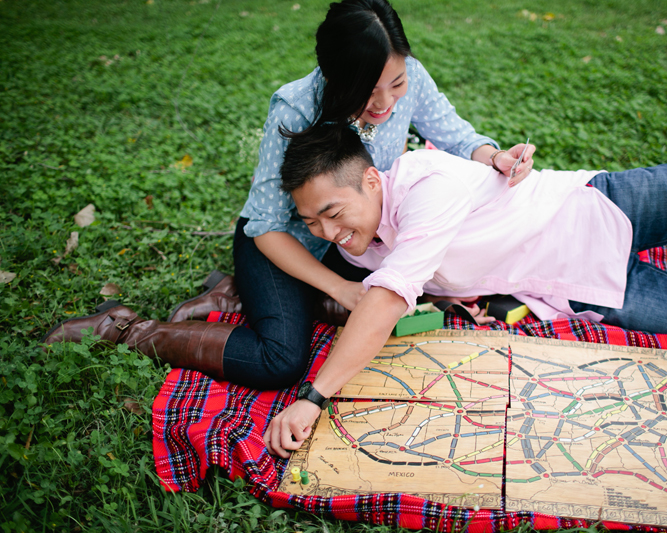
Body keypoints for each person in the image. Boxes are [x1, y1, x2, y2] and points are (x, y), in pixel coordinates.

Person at [42, 0, 530, 389]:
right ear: (337, 78)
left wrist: (494, 157)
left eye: (396, 84)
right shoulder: (296, 106)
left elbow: (459, 136)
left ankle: (235, 295)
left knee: (415, 300)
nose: (384, 103)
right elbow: (266, 227)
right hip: (282, 248)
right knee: (279, 361)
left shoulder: (410, 77)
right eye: (368, 90)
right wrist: (337, 286)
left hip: (360, 240)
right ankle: (126, 329)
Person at [262, 124, 667, 458]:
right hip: (583, 287)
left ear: (373, 180)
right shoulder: (359, 241)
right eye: (312, 223)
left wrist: (314, 397)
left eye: (333, 214)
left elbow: (386, 298)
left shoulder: (425, 184)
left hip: (602, 207)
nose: (329, 233)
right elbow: (289, 242)